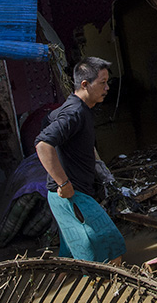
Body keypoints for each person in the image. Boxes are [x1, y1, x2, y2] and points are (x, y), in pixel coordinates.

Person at [35, 57, 125, 265]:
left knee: (71, 258)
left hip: (70, 194)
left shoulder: (77, 109)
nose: (107, 87)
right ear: (85, 84)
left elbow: (50, 121)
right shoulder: (74, 112)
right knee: (113, 247)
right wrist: (64, 183)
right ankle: (113, 294)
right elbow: (42, 144)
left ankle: (64, 289)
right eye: (102, 82)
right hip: (70, 195)